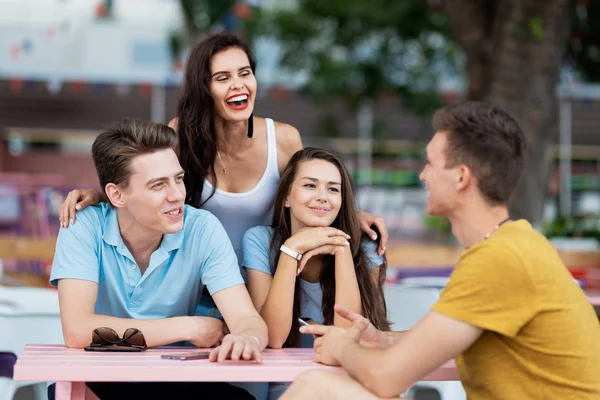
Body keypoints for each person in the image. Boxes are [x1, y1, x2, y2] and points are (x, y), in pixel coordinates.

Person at [286, 102, 600, 400]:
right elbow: (439, 339)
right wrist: (379, 339)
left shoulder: (499, 260)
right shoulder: (511, 244)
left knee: (317, 386)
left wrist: (342, 348)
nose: (422, 175)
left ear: (461, 177)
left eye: (431, 163)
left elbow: (386, 377)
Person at [57, 32, 388, 265]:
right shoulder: (180, 134)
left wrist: (352, 215)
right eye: (223, 77)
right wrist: (101, 196)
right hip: (198, 282)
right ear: (204, 89)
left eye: (245, 73)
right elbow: (148, 186)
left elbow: (309, 196)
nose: (238, 85)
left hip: (269, 278)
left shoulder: (283, 139)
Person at [49, 119, 267, 400]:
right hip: (100, 378)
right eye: (158, 185)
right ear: (116, 194)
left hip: (177, 378)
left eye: (178, 178)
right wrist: (188, 326)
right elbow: (78, 331)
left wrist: (247, 336)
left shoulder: (202, 228)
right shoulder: (82, 225)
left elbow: (247, 319)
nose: (177, 195)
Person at [242, 148, 390, 399]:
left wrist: (341, 249)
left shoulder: (364, 247)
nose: (323, 197)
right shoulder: (259, 240)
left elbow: (348, 334)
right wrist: (291, 250)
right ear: (287, 196)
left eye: (333, 189)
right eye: (310, 185)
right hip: (285, 387)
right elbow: (273, 338)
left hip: (348, 384)